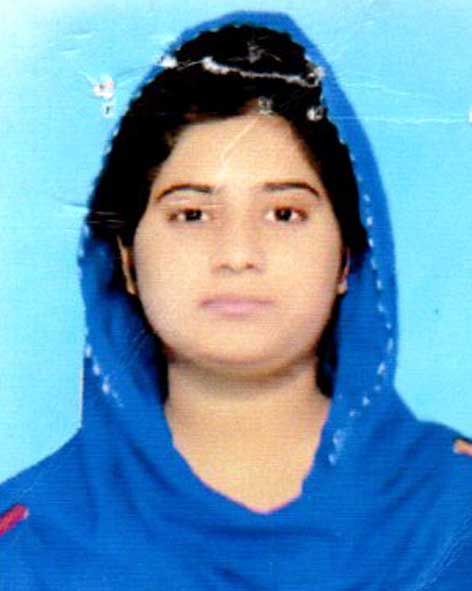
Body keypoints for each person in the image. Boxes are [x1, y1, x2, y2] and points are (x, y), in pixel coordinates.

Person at [1, 13, 472, 589]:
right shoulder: (28, 543)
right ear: (125, 260)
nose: (239, 254)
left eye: (284, 213)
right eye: (192, 214)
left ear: (348, 257)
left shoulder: (456, 514)